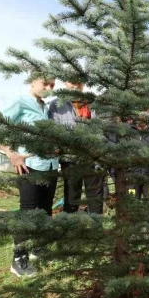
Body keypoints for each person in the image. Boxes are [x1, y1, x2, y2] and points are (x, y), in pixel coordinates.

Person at [0, 76, 59, 277]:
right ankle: (18, 259)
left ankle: (38, 248)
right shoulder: (19, 102)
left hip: (50, 165)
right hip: (29, 167)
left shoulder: (48, 107)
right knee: (27, 212)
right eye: (45, 84)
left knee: (45, 210)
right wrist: (12, 154)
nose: (49, 88)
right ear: (33, 82)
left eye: (52, 85)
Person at [49, 81, 105, 214]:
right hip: (70, 159)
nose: (75, 86)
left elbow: (101, 128)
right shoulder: (56, 104)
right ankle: (71, 228)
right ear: (65, 83)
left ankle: (96, 229)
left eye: (78, 82)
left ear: (83, 84)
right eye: (71, 82)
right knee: (72, 197)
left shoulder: (92, 102)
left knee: (95, 197)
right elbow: (53, 130)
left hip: (93, 157)